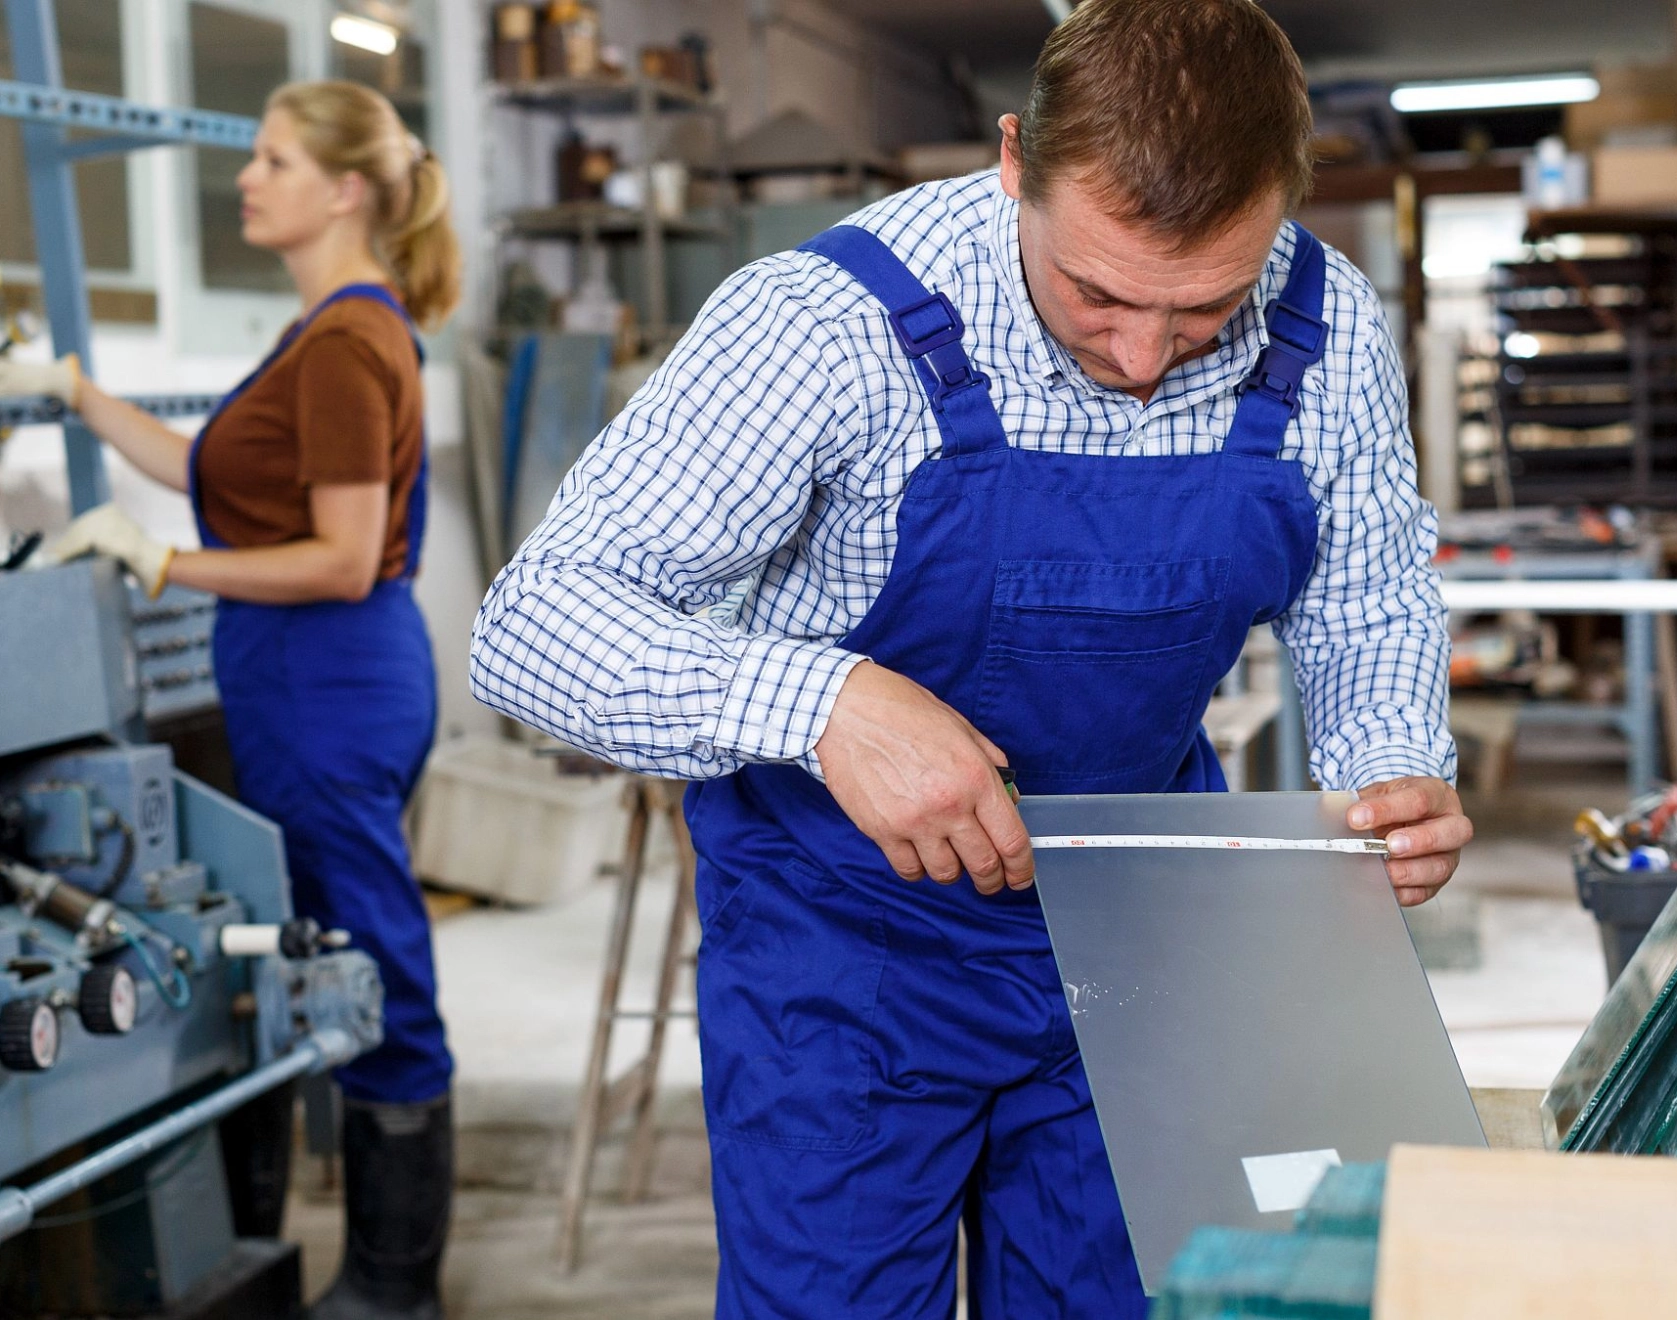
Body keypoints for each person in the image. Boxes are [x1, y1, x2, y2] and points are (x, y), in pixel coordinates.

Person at [472, 1, 1471, 1314]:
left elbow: (1367, 589)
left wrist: (1391, 762)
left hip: (1149, 928)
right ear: (1015, 162)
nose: (1140, 358)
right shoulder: (821, 327)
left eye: (1205, 312)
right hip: (847, 952)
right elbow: (532, 623)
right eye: (1099, 294)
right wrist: (823, 699)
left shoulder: (1325, 320)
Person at [16, 81, 457, 1320]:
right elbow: (215, 469)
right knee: (327, 942)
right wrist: (78, 393)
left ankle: (393, 1286)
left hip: (327, 677)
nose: (245, 177)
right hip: (306, 676)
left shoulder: (347, 343)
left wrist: (161, 562)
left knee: (375, 958)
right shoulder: (324, 329)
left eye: (269, 159)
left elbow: (336, 552)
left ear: (345, 189)